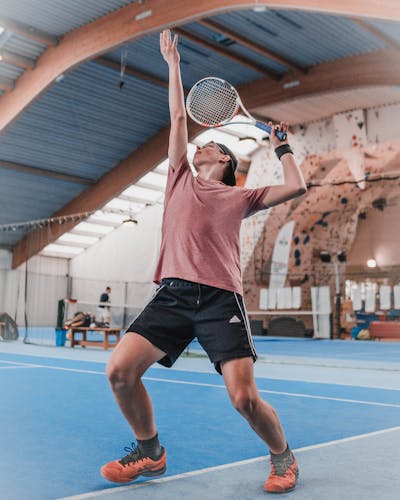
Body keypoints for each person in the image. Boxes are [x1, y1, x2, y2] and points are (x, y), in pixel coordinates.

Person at [101, 30, 307, 494]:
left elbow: (296, 187)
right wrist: (172, 64)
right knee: (119, 372)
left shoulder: (240, 197)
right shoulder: (179, 179)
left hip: (220, 299)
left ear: (225, 159)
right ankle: (150, 452)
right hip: (172, 294)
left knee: (244, 399)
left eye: (207, 147)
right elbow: (177, 116)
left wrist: (282, 148)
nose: (198, 147)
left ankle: (283, 458)